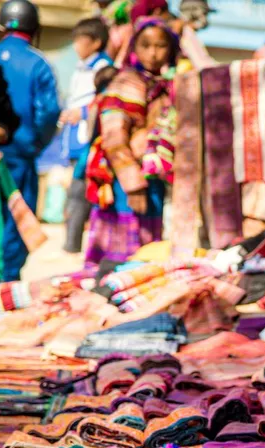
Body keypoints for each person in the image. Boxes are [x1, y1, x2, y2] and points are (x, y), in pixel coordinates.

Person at [84, 17, 178, 265]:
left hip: (153, 179)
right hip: (126, 181)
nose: (153, 53)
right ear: (134, 48)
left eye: (161, 46)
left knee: (147, 251)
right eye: (145, 45)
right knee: (121, 256)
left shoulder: (168, 84)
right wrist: (132, 184)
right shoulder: (127, 82)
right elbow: (113, 137)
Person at [0, 0, 61, 281]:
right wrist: (36, 144)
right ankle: (7, 277)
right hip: (19, 154)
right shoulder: (38, 63)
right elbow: (49, 112)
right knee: (17, 215)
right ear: (35, 28)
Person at [60, 18, 113, 253]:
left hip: (90, 140)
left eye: (80, 40)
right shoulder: (81, 67)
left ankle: (74, 246)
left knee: (80, 192)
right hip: (75, 137)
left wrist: (81, 112)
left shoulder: (103, 67)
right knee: (74, 191)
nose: (75, 46)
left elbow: (104, 101)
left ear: (96, 42)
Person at [64, 65, 118, 255]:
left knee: (92, 203)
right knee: (98, 204)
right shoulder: (106, 101)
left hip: (92, 161)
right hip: (101, 162)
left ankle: (87, 249)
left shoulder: (96, 102)